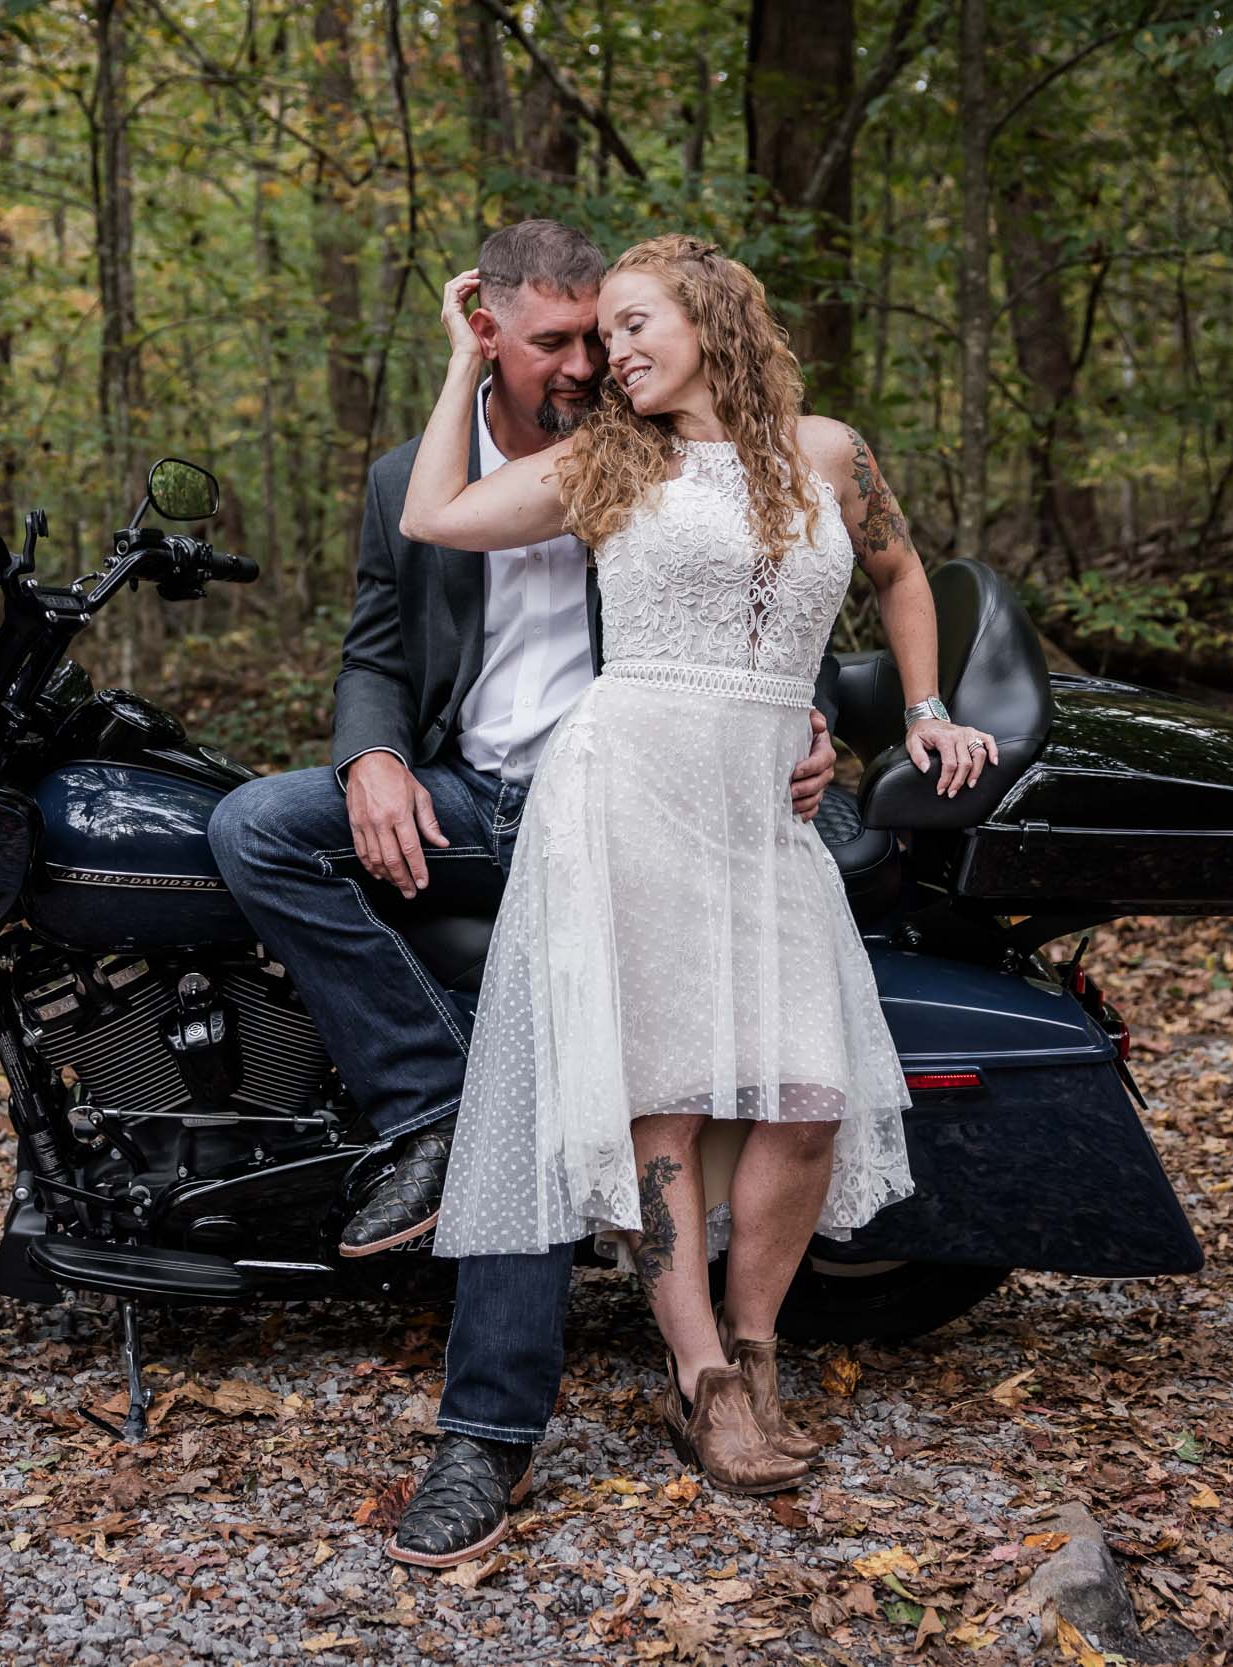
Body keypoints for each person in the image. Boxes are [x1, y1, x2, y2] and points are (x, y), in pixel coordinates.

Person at [209, 221, 842, 1568]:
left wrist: (811, 722)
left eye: (601, 335)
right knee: (253, 826)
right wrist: (374, 755)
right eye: (555, 340)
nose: (588, 363)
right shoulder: (413, 473)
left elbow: (776, 583)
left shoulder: (657, 452)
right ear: (486, 332)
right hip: (459, 794)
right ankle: (425, 1102)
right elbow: (374, 646)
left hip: (621, 805)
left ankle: (485, 1431)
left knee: (542, 1068)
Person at [400, 236, 996, 1509]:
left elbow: (895, 572)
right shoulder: (612, 460)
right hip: (629, 784)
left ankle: (760, 1348)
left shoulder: (828, 452)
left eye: (630, 323)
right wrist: (463, 362)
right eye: (603, 333)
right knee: (661, 1098)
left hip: (764, 803)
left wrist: (926, 707)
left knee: (804, 1091)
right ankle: (702, 1379)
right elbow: (435, 516)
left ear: (710, 314)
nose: (611, 351)